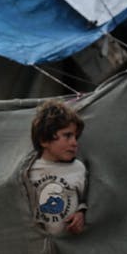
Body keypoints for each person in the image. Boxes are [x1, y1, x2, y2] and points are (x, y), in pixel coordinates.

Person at [27, 99, 87, 235]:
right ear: (44, 140)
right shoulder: (28, 171)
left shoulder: (79, 168)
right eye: (67, 136)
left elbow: (89, 201)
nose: (74, 143)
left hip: (71, 247)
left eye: (76, 137)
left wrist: (81, 213)